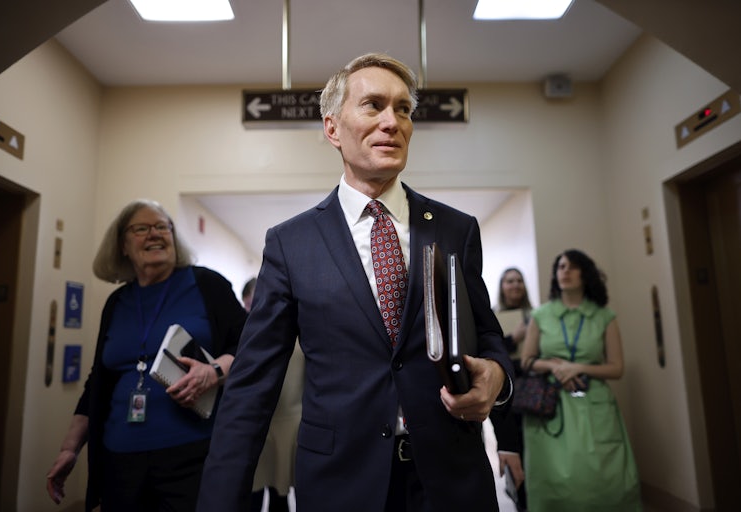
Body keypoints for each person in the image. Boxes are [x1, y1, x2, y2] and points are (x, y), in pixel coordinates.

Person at [196, 53, 513, 512]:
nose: (392, 122)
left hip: (450, 480)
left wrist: (497, 375)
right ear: (332, 129)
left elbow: (488, 335)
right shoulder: (291, 244)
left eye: (403, 109)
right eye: (373, 105)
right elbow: (252, 385)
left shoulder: (454, 230)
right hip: (341, 482)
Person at [45, 199, 247, 512]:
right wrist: (69, 449)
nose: (154, 234)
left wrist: (214, 372)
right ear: (122, 245)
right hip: (119, 458)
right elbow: (98, 382)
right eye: (141, 228)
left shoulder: (207, 285)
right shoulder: (117, 302)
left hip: (195, 454)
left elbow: (249, 346)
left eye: (162, 227)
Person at [520, 249, 642, 511]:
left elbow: (617, 368)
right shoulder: (541, 316)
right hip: (551, 406)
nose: (565, 271)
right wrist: (554, 366)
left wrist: (578, 368)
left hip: (594, 404)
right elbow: (526, 361)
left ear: (586, 275)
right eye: (561, 266)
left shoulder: (604, 317)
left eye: (573, 267)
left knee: (603, 479)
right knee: (555, 481)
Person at [243, 276, 295, 512]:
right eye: (251, 305)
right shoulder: (244, 334)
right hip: (257, 427)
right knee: (252, 492)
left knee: (281, 493)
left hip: (292, 425)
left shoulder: (297, 329)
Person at [490, 267, 533, 510]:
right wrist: (513, 339)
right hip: (507, 394)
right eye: (509, 281)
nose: (515, 285)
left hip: (535, 391)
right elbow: (490, 355)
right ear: (502, 286)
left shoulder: (535, 316)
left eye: (519, 280)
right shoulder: (492, 317)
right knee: (513, 447)